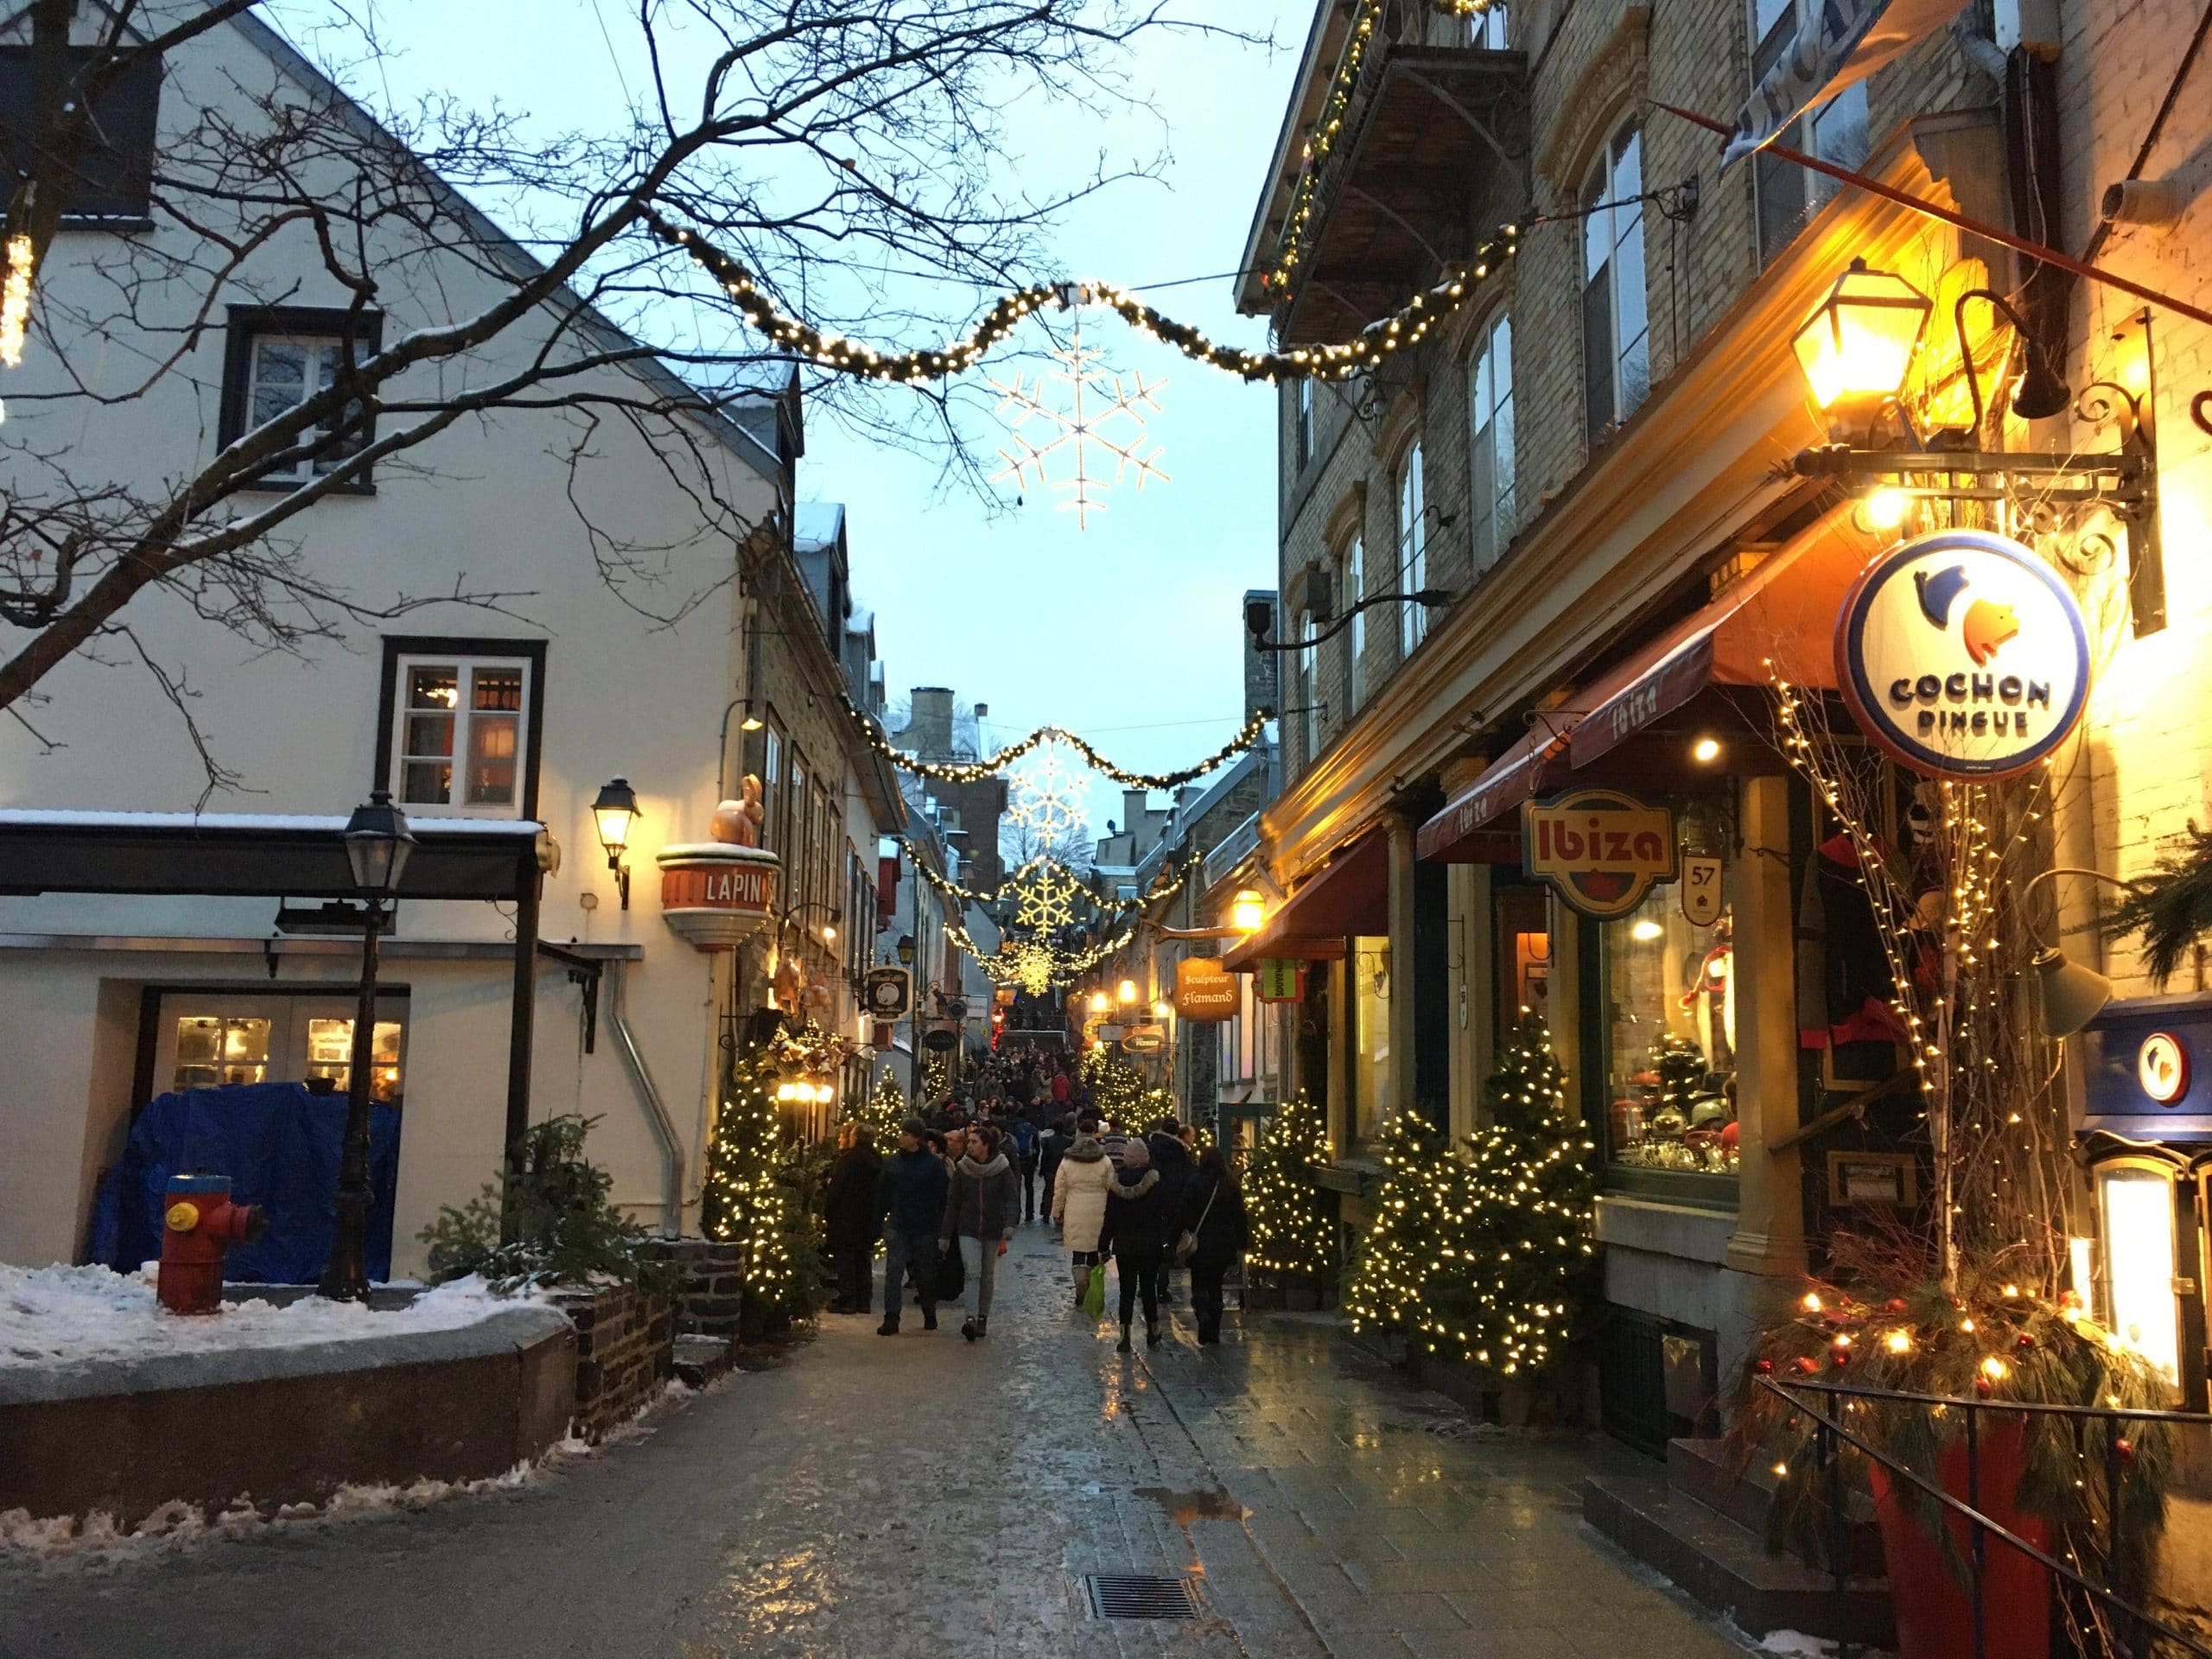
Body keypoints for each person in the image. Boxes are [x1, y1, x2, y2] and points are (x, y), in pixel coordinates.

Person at [941, 1123, 1018, 1340]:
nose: (970, 1146)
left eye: (974, 1142)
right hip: (968, 1227)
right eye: (970, 1142)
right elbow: (953, 1202)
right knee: (973, 1272)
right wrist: (945, 1234)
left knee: (987, 1275)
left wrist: (1010, 1223)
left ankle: (983, 1316)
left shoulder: (1002, 1168)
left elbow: (1011, 1198)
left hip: (993, 1229)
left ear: (986, 1145)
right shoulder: (963, 1168)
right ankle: (971, 1318)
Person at [875, 1119, 949, 1336]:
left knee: (925, 1273)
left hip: (924, 1226)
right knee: (893, 1272)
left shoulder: (932, 1165)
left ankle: (929, 1312)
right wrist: (880, 1219)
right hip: (899, 1224)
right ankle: (891, 1318)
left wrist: (941, 1225)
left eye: (906, 1134)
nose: (901, 1137)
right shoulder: (892, 1163)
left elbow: (942, 1195)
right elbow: (883, 1195)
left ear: (917, 1138)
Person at [1096, 1138, 1169, 1351]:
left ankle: (1124, 1334)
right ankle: (1152, 1329)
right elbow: (1163, 1213)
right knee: (1148, 1289)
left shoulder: (1116, 1183)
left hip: (1125, 1245)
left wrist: (1103, 1245)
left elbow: (1109, 1218)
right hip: (1150, 1244)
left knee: (1126, 1290)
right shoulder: (1155, 1182)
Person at [1177, 1147, 1249, 1344]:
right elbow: (1240, 1216)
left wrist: (1174, 1238)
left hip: (1199, 1244)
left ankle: (1202, 1313)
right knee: (1216, 1284)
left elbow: (1183, 1212)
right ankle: (1214, 1327)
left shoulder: (1194, 1182)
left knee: (1199, 1282)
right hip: (1223, 1243)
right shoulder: (1230, 1184)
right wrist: (1243, 1242)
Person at [1052, 1129, 1116, 1310]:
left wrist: (1057, 1210)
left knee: (1078, 1250)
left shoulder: (1067, 1162)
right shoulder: (1104, 1162)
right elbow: (1111, 1186)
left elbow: (1060, 1189)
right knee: (1094, 1249)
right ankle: (1092, 1284)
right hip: (1099, 1208)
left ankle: (1080, 1280)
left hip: (1075, 1208)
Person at [823, 1124, 883, 1314]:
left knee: (846, 1259)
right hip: (868, 1218)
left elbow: (836, 1191)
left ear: (855, 1138)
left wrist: (828, 1210)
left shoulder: (847, 1161)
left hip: (846, 1217)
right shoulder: (877, 1161)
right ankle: (864, 1300)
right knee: (863, 1258)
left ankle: (848, 1300)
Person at [1145, 1118, 1193, 1306]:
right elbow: (1187, 1180)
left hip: (1151, 1202)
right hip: (1173, 1204)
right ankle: (1162, 1289)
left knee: (1151, 1245)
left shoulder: (1151, 1148)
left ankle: (1147, 1286)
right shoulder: (1181, 1153)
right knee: (1168, 1245)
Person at [1004, 1109, 1041, 1222]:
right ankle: (1030, 1213)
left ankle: (1016, 1213)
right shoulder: (1031, 1128)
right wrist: (1035, 1161)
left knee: (1016, 1188)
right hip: (1029, 1160)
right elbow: (1037, 1146)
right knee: (1029, 1187)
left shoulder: (1013, 1127)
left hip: (1016, 1160)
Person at [1039, 1113, 1073, 1222]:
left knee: (1049, 1192)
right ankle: (1059, 1214)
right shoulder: (1069, 1141)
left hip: (1050, 1170)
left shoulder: (1047, 1141)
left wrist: (1042, 1170)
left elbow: (1045, 1157)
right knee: (1062, 1192)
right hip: (1064, 1170)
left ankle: (1046, 1214)